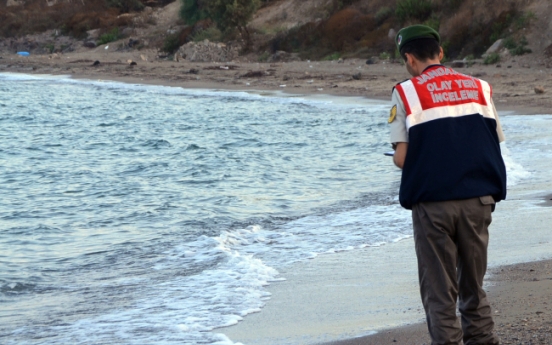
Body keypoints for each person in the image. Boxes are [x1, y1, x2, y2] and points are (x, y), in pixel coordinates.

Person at [388, 24, 507, 345]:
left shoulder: (406, 92)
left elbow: (402, 157)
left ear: (409, 58)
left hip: (434, 204)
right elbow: (494, 140)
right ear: (440, 53)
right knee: (473, 286)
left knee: (440, 292)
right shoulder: (481, 87)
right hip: (479, 199)